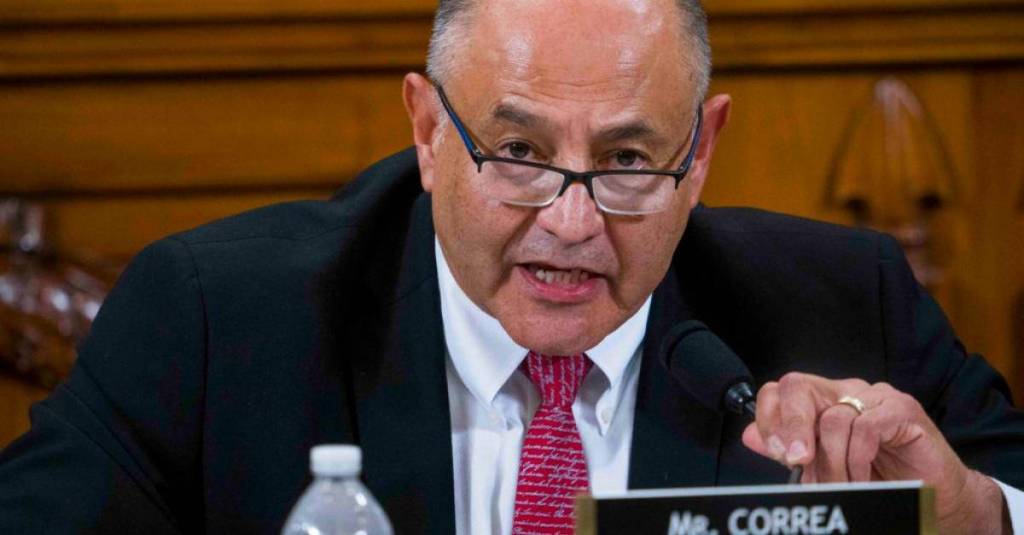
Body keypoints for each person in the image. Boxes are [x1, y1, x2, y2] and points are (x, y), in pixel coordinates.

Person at [2, 0, 1023, 533]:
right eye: (520, 154)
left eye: (628, 162)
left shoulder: (842, 300)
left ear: (700, 150)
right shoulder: (218, 318)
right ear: (426, 129)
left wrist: (975, 512)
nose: (572, 224)